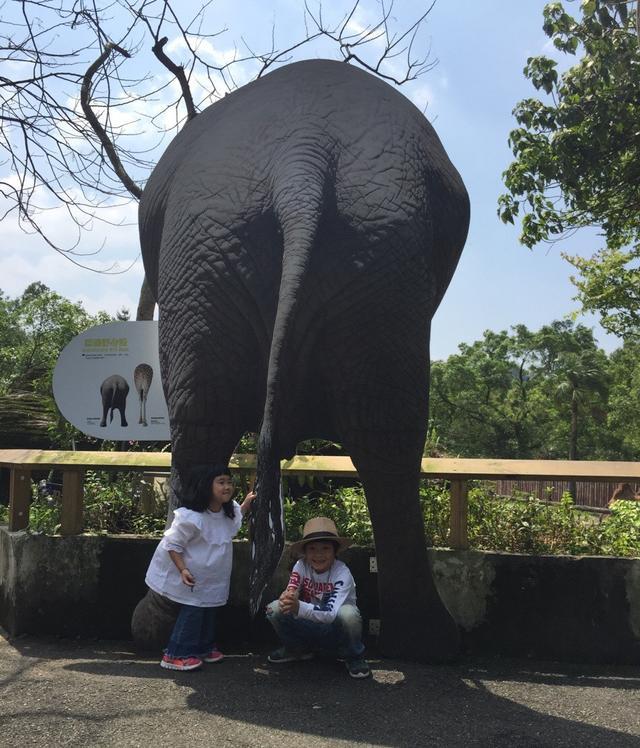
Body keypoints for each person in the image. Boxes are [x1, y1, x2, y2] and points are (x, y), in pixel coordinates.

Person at [145, 464, 256, 671]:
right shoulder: (191, 517)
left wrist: (246, 504)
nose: (227, 487)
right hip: (192, 574)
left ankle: (203, 647)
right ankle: (176, 652)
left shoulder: (227, 511)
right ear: (206, 486)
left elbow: (230, 525)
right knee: (193, 610)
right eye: (221, 482)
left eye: (229, 482)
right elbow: (173, 545)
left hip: (213, 576)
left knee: (209, 608)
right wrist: (183, 569)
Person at [266, 516, 371, 679]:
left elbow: (330, 614)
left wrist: (298, 607)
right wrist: (288, 597)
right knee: (274, 608)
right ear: (305, 552)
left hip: (335, 629)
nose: (319, 554)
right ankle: (297, 649)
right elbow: (292, 589)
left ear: (335, 551)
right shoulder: (301, 565)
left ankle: (353, 656)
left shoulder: (342, 573)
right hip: (309, 623)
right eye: (312, 549)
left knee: (348, 614)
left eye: (325, 548)